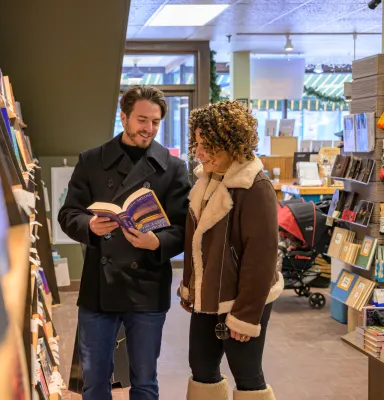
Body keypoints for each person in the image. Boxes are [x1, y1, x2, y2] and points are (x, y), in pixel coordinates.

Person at [58, 85, 191, 400]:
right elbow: (68, 214)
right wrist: (89, 225)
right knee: (94, 383)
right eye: (142, 120)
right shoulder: (92, 160)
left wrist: (155, 243)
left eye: (155, 122)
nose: (148, 128)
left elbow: (184, 226)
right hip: (98, 290)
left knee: (145, 382)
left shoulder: (172, 168)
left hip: (147, 284)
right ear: (124, 117)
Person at [178, 100, 283, 400]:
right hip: (209, 293)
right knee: (201, 366)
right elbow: (195, 243)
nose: (198, 152)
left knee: (247, 373)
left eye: (206, 145)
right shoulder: (207, 180)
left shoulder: (255, 186)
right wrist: (190, 288)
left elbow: (261, 258)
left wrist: (246, 316)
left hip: (243, 299)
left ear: (231, 143)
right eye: (196, 144)